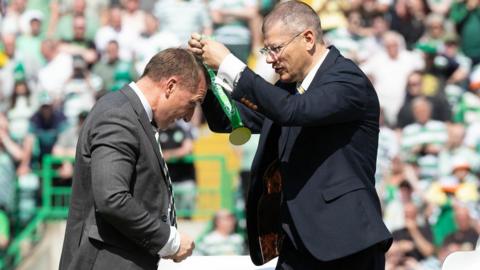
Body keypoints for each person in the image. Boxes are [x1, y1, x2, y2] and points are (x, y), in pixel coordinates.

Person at [189, 1, 392, 269]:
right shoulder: (288, 90)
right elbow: (230, 120)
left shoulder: (347, 79)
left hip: (346, 244)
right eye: (266, 49)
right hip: (296, 245)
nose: (270, 58)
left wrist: (229, 63)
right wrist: (205, 73)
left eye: (275, 48)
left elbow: (293, 112)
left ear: (308, 39)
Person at [59, 48, 207, 270]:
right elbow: (112, 198)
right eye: (192, 103)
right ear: (170, 86)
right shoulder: (118, 116)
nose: (188, 117)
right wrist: (169, 241)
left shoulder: (132, 117)